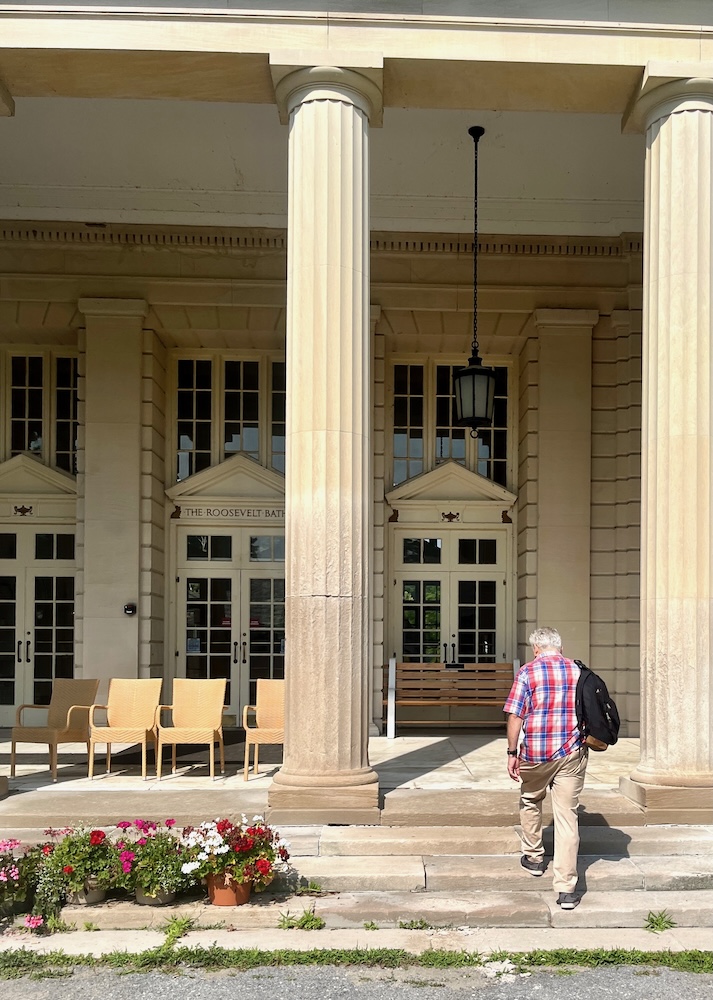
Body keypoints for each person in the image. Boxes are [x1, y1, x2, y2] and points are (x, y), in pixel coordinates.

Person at [503, 626, 587, 910]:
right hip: (571, 753)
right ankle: (566, 890)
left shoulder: (528, 671)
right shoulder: (578, 671)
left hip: (536, 754)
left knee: (531, 799)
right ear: (560, 648)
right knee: (567, 817)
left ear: (536, 649)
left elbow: (516, 715)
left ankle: (535, 857)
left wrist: (512, 752)